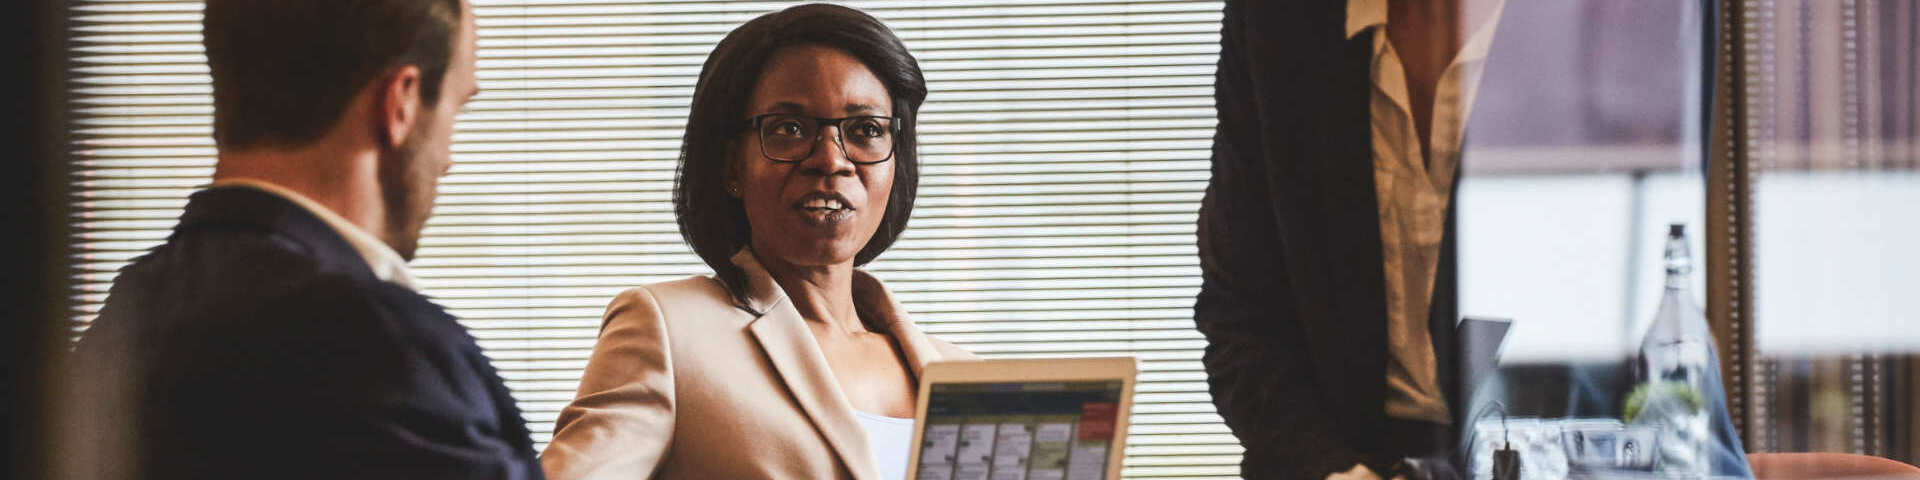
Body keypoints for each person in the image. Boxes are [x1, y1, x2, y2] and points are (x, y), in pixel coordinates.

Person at [59, 1, 542, 478]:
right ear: (401, 102)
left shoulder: (126, 317)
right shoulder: (378, 349)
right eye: (455, 110)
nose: (448, 160)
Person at [540, 4, 974, 480]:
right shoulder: (670, 333)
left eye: (866, 130)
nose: (831, 160)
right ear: (731, 166)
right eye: (790, 129)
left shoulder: (967, 377)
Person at [1193, 0, 1504, 479]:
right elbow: (1240, 319)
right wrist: (1339, 471)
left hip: (1544, 448)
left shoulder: (1585, 20)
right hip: (1329, 459)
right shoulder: (1273, 20)